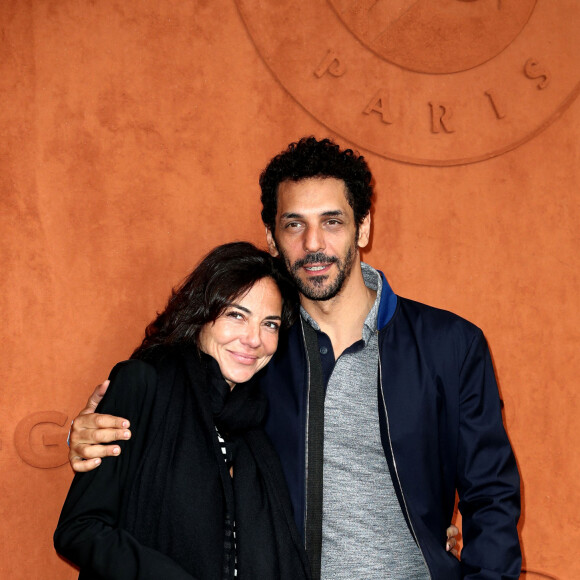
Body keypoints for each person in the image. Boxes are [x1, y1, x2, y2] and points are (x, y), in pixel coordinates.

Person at [66, 137, 521, 579]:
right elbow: (178, 413)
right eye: (294, 224)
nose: (313, 244)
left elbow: (492, 496)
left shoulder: (450, 345)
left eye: (332, 221)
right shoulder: (258, 354)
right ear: (271, 237)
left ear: (363, 227)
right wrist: (95, 430)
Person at [54, 242, 311, 579]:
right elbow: (80, 529)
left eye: (270, 324)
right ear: (202, 314)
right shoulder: (143, 384)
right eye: (237, 315)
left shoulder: (257, 421)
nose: (254, 339)